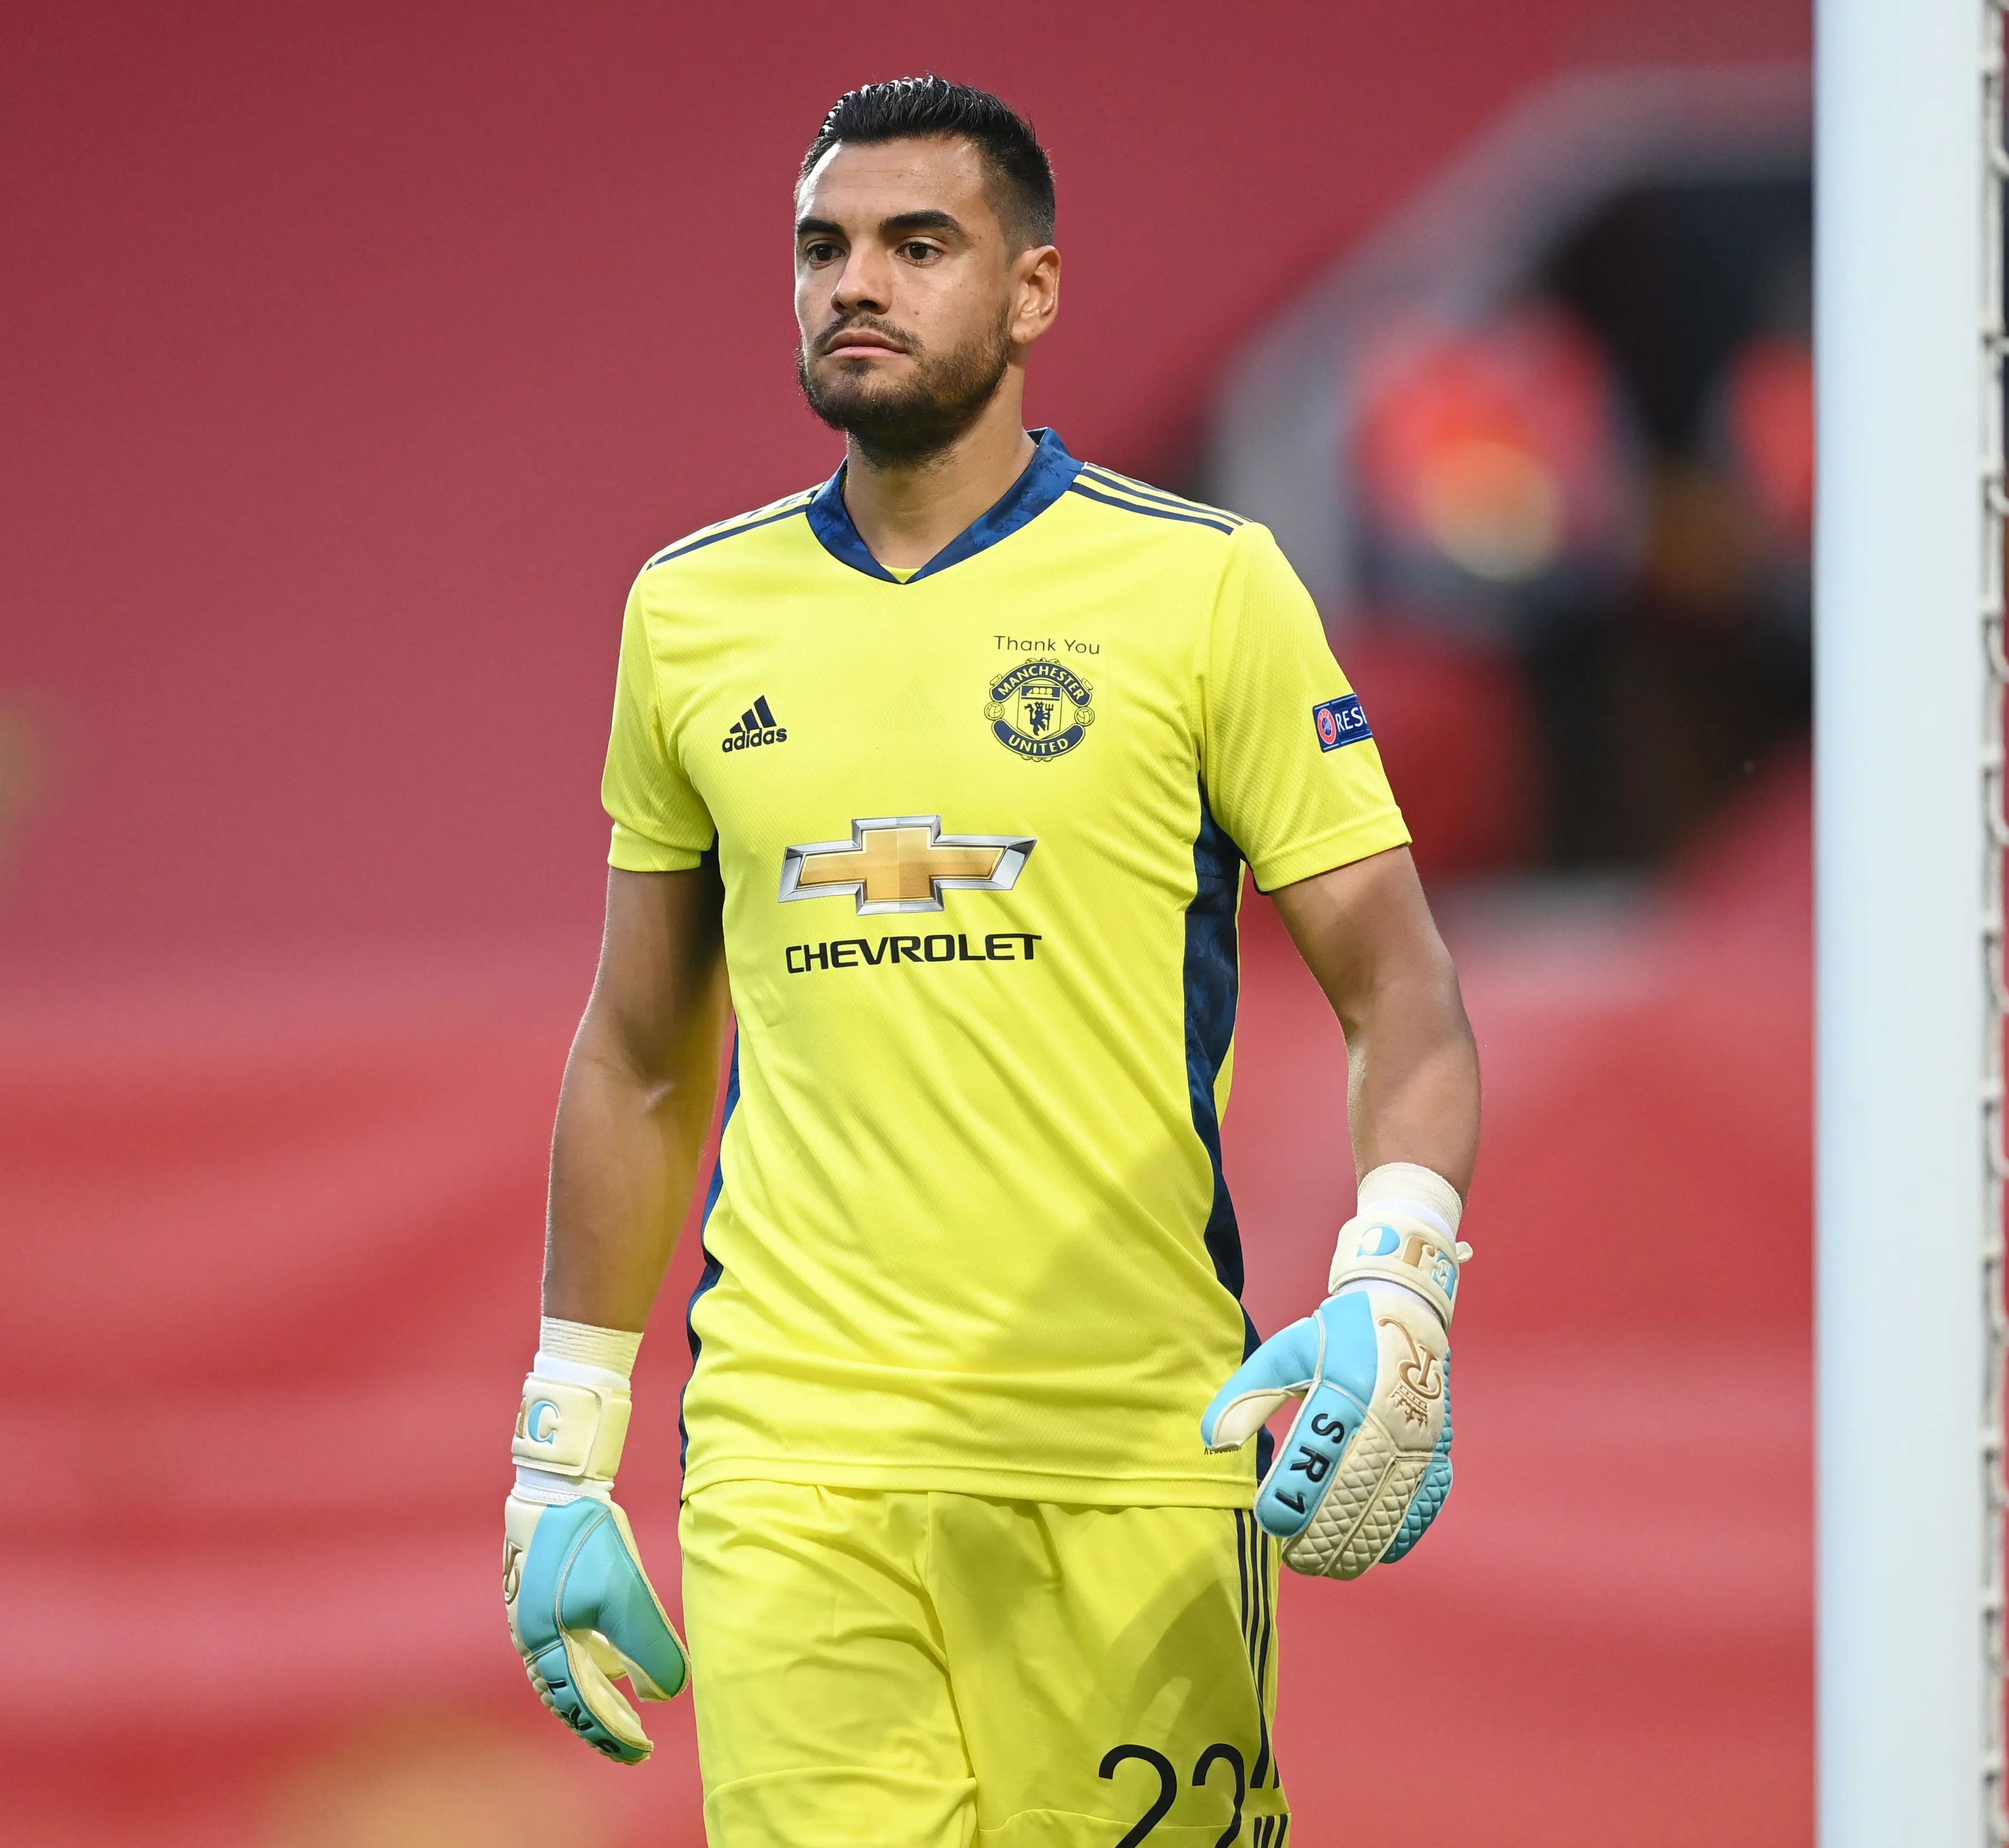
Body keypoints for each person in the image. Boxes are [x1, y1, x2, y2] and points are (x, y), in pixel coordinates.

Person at [499, 75, 1482, 1848]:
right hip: (793, 1461)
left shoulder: (1205, 589)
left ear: (1031, 291)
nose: (852, 282)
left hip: (1124, 1456)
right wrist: (563, 1441)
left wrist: (1400, 1277)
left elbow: (1397, 989)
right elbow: (641, 1051)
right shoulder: (690, 613)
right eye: (821, 246)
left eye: (915, 244)